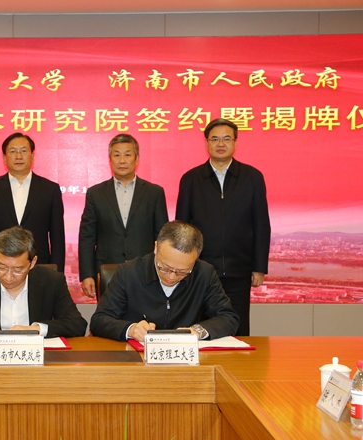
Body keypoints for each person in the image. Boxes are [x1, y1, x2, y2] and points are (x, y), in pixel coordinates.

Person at [175, 118, 271, 336]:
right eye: (215, 139)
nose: (221, 144)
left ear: (235, 142)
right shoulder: (191, 179)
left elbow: (261, 224)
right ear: (206, 143)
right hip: (200, 270)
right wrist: (183, 265)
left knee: (238, 327)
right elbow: (182, 227)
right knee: (200, 328)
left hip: (239, 269)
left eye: (227, 139)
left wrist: (259, 267)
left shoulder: (252, 177)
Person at [89, 221, 239, 342]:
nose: (171, 277)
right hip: (136, 359)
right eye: (165, 268)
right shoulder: (129, 273)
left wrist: (197, 331)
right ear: (156, 247)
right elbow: (99, 320)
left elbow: (228, 317)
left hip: (186, 360)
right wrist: (132, 329)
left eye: (182, 271)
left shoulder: (204, 274)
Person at [78, 134, 168, 298]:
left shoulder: (154, 193)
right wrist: (87, 274)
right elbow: (87, 237)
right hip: (107, 271)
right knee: (108, 313)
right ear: (110, 159)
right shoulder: (96, 193)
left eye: (127, 155)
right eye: (117, 155)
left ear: (136, 158)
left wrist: (163, 271)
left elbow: (161, 237)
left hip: (146, 272)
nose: (122, 160)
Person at [0, 132, 65, 271]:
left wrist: (57, 273)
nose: (19, 156)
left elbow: (57, 237)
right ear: (4, 157)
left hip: (39, 267)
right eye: (13, 151)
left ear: (32, 156)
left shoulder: (50, 189)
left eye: (24, 151)